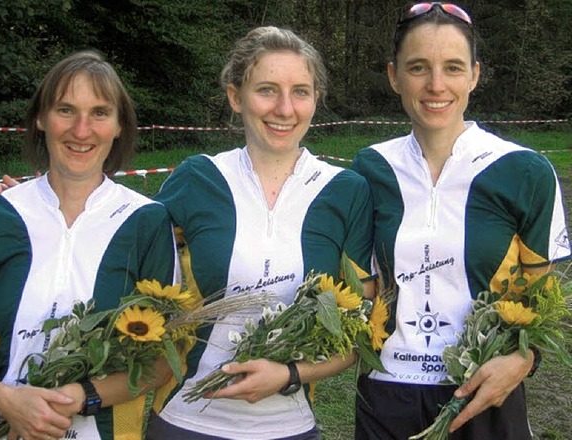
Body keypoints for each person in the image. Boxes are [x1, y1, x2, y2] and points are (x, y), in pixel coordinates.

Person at [351, 3, 571, 439]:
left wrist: (525, 359)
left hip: (485, 393)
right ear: (394, 75)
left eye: (453, 68)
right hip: (386, 395)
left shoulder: (525, 171)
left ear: (474, 75)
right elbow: (360, 289)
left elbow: (542, 301)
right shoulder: (368, 168)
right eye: (418, 67)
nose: (436, 85)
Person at [144, 26, 375, 439]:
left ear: (315, 100)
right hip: (187, 419)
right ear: (236, 97)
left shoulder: (347, 191)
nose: (285, 108)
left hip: (290, 426)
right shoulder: (198, 178)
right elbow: (111, 239)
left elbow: (359, 335)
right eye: (267, 90)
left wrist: (289, 374)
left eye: (301, 92)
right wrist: (37, 204)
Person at [0, 51, 176, 440]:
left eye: (99, 113)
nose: (81, 130)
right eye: (66, 110)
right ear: (40, 118)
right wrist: (5, 400)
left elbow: (158, 362)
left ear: (119, 126)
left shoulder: (147, 221)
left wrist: (80, 397)